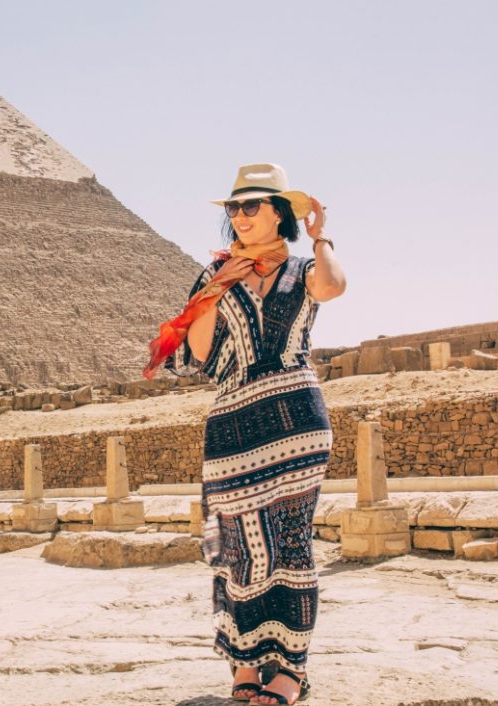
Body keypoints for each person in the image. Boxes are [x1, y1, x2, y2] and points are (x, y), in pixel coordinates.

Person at [145, 163, 346, 704]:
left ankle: (291, 670)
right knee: (237, 547)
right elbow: (205, 354)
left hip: (295, 420)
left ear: (280, 214)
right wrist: (217, 284)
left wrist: (320, 235)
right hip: (232, 421)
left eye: (251, 206)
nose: (238, 216)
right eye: (233, 208)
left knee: (289, 544)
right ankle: (245, 664)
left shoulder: (303, 268)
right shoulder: (216, 276)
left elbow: (333, 286)